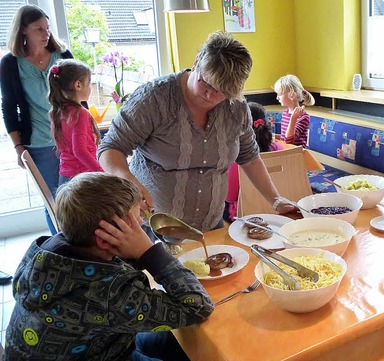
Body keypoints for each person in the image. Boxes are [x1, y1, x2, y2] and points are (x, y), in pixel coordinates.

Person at [3, 172, 213, 361]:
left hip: (94, 345)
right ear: (105, 239)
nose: (142, 222)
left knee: (178, 339)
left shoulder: (47, 252)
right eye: (136, 217)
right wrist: (149, 251)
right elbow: (197, 306)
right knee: (196, 341)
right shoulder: (108, 293)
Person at [98, 31, 295, 232]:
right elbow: (110, 149)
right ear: (196, 62)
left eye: (221, 92)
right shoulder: (154, 99)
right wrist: (131, 184)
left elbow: (250, 158)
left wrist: (276, 200)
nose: (210, 95)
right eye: (206, 83)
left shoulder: (236, 107)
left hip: (211, 226)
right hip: (155, 225)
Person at [0, 4, 79, 235]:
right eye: (39, 29)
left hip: (70, 139)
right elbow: (8, 107)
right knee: (52, 199)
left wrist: (87, 130)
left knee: (75, 195)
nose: (46, 34)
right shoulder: (10, 64)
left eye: (47, 28)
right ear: (23, 30)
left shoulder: (62, 56)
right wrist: (17, 147)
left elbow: (79, 96)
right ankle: (61, 246)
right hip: (39, 143)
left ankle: (79, 246)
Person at [224, 102, 284, 222]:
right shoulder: (279, 149)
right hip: (277, 209)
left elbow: (229, 196)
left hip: (245, 214)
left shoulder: (238, 157)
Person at [48, 59, 103, 187]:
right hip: (83, 179)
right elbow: (80, 151)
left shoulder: (57, 111)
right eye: (89, 83)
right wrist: (102, 173)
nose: (90, 88)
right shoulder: (80, 114)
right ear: (78, 85)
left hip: (66, 177)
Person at [274, 74, 315, 147]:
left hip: (297, 154)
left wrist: (293, 118)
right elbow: (284, 138)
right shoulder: (285, 113)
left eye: (280, 94)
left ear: (292, 95)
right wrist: (273, 136)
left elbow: (289, 140)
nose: (277, 98)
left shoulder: (304, 117)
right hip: (286, 151)